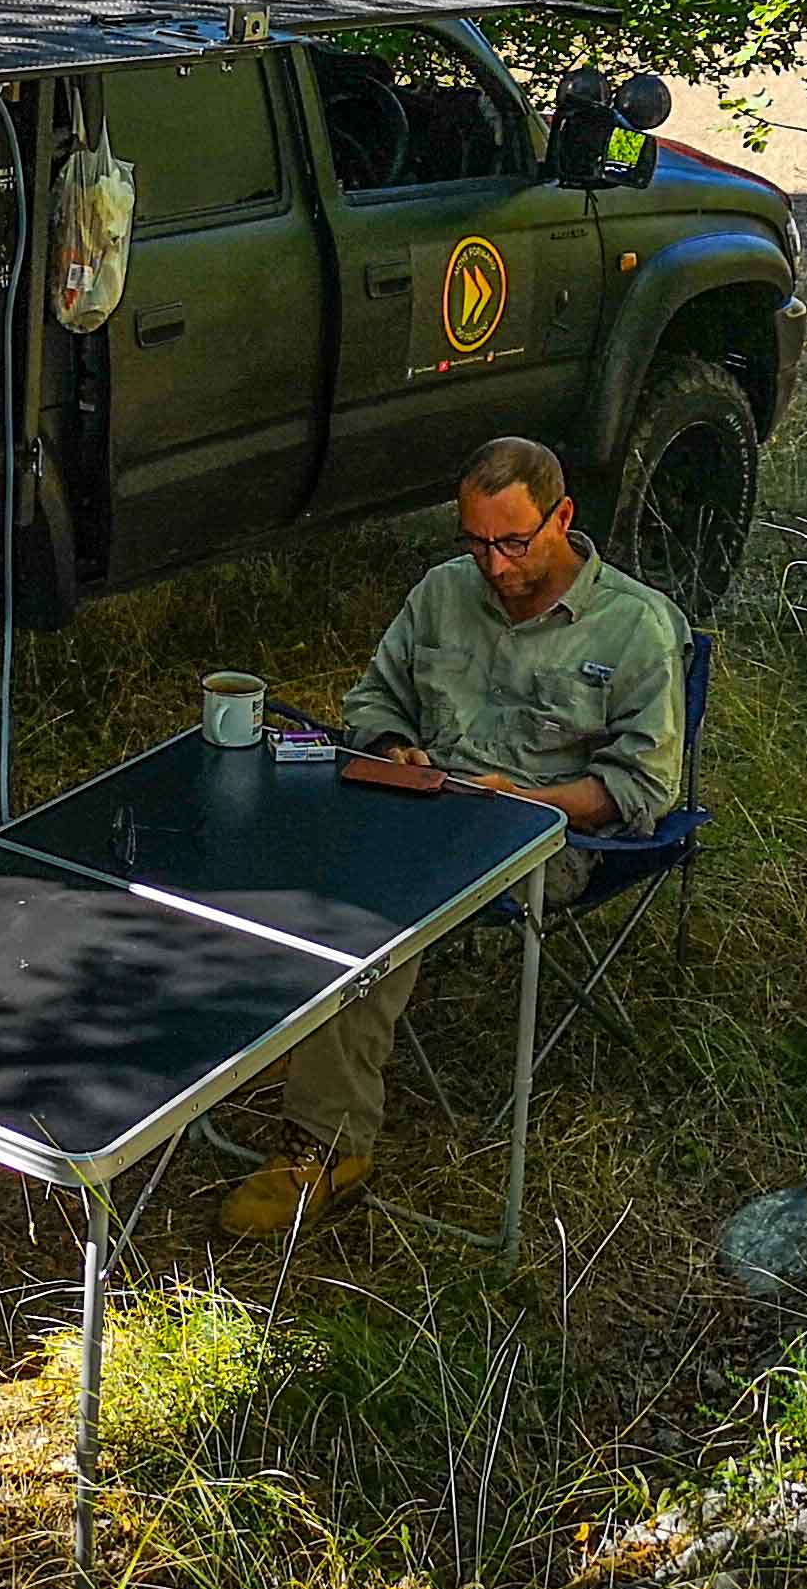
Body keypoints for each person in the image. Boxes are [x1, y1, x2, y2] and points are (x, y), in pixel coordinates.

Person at [219, 434, 689, 1238]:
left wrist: (532, 798)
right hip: (421, 798)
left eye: (514, 541)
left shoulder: (636, 628)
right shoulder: (442, 594)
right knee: (260, 827)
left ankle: (328, 1146)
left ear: (563, 516)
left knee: (377, 893)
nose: (496, 567)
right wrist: (391, 747)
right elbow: (373, 702)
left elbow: (642, 787)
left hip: (539, 835)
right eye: (476, 543)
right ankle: (210, 1060)